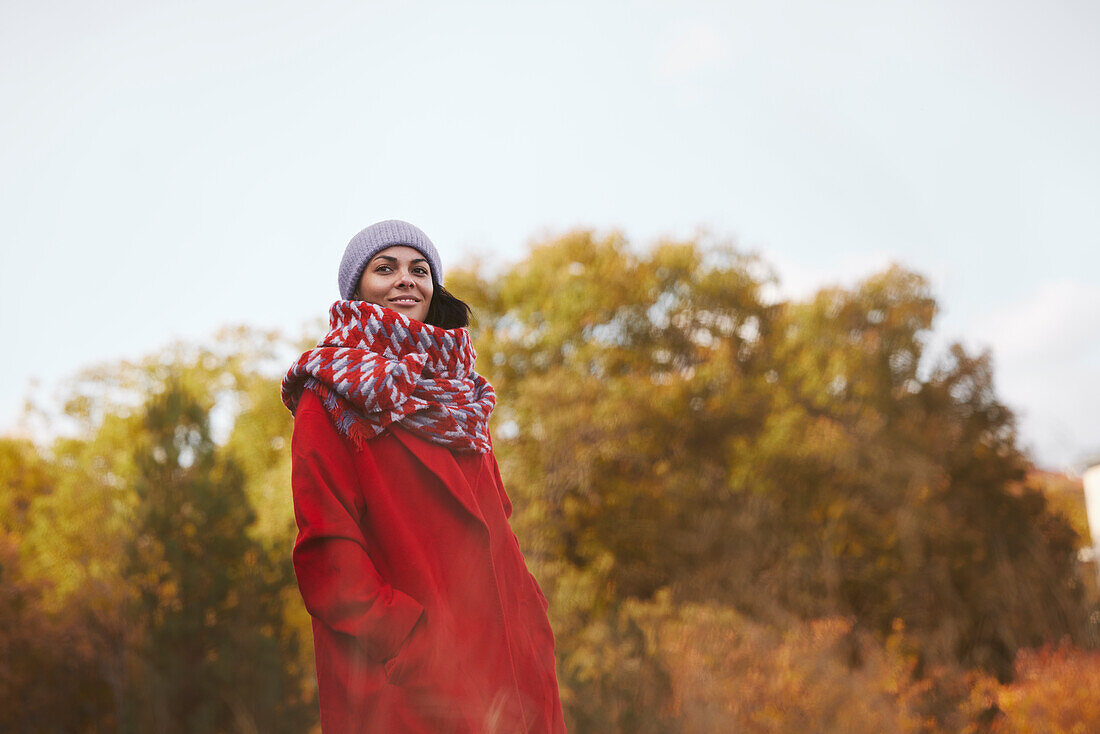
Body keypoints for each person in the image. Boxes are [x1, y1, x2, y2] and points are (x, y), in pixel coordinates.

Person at [281, 220, 567, 733]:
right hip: (405, 675)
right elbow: (326, 550)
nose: (405, 280)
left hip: (505, 657)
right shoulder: (328, 393)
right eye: (384, 268)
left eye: (419, 269)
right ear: (356, 289)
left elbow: (497, 522)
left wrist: (529, 618)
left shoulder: (460, 394)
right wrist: (410, 643)